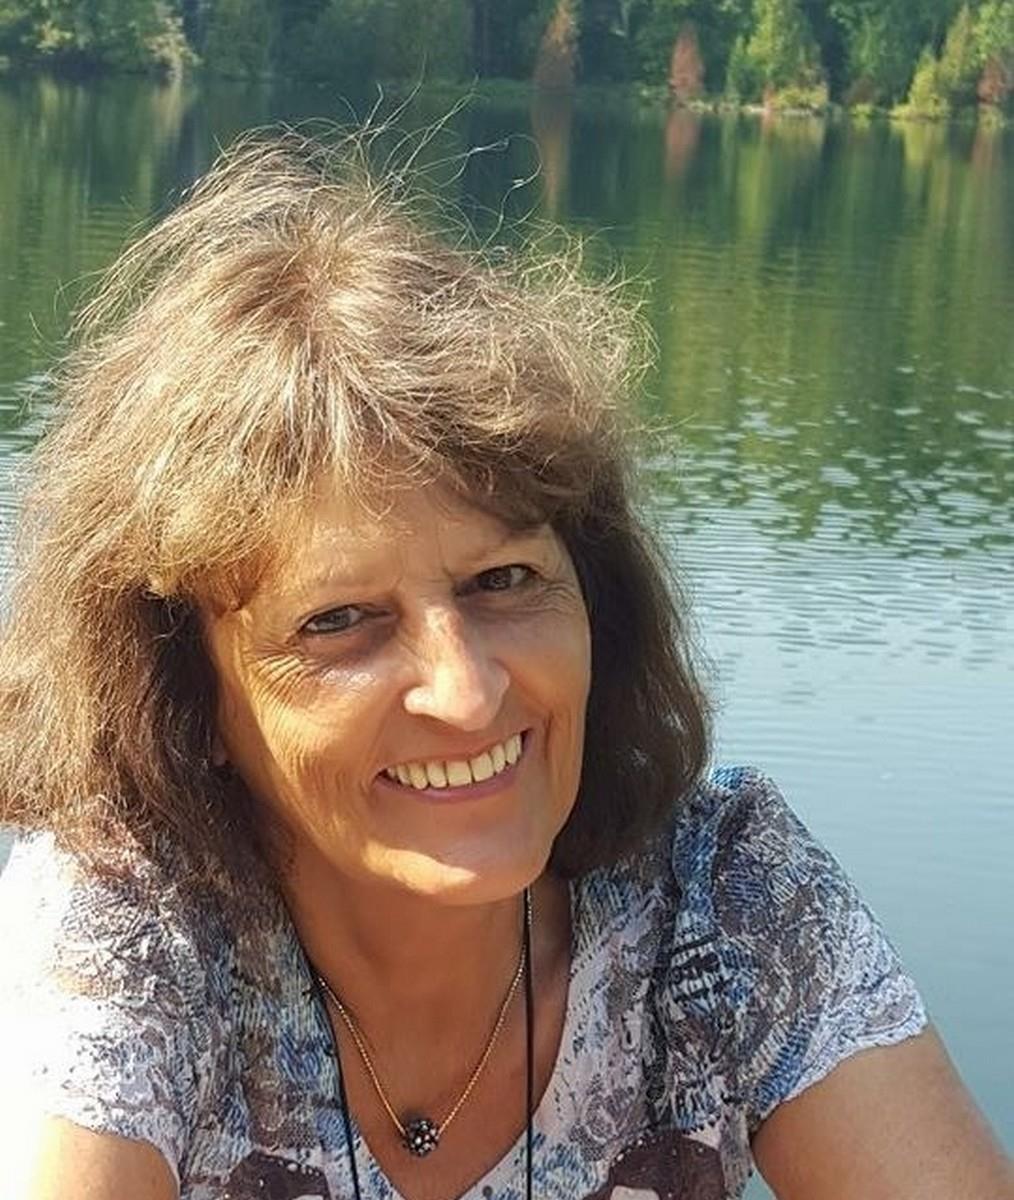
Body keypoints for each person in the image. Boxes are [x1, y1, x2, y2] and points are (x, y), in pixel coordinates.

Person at [0, 132, 1009, 1200]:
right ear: (187, 696)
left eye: (505, 580)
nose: (468, 690)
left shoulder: (720, 897)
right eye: (339, 621)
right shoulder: (124, 935)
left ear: (596, 599)